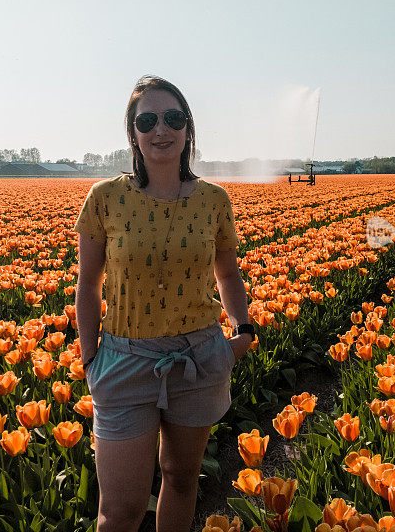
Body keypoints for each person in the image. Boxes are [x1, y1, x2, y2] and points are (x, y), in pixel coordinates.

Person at [74, 75, 253, 532]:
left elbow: (227, 272)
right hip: (123, 361)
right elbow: (88, 284)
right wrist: (90, 358)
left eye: (173, 118)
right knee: (120, 511)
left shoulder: (214, 200)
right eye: (147, 120)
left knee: (179, 479)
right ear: (132, 132)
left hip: (199, 357)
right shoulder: (105, 198)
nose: (161, 129)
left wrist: (243, 331)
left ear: (188, 127)